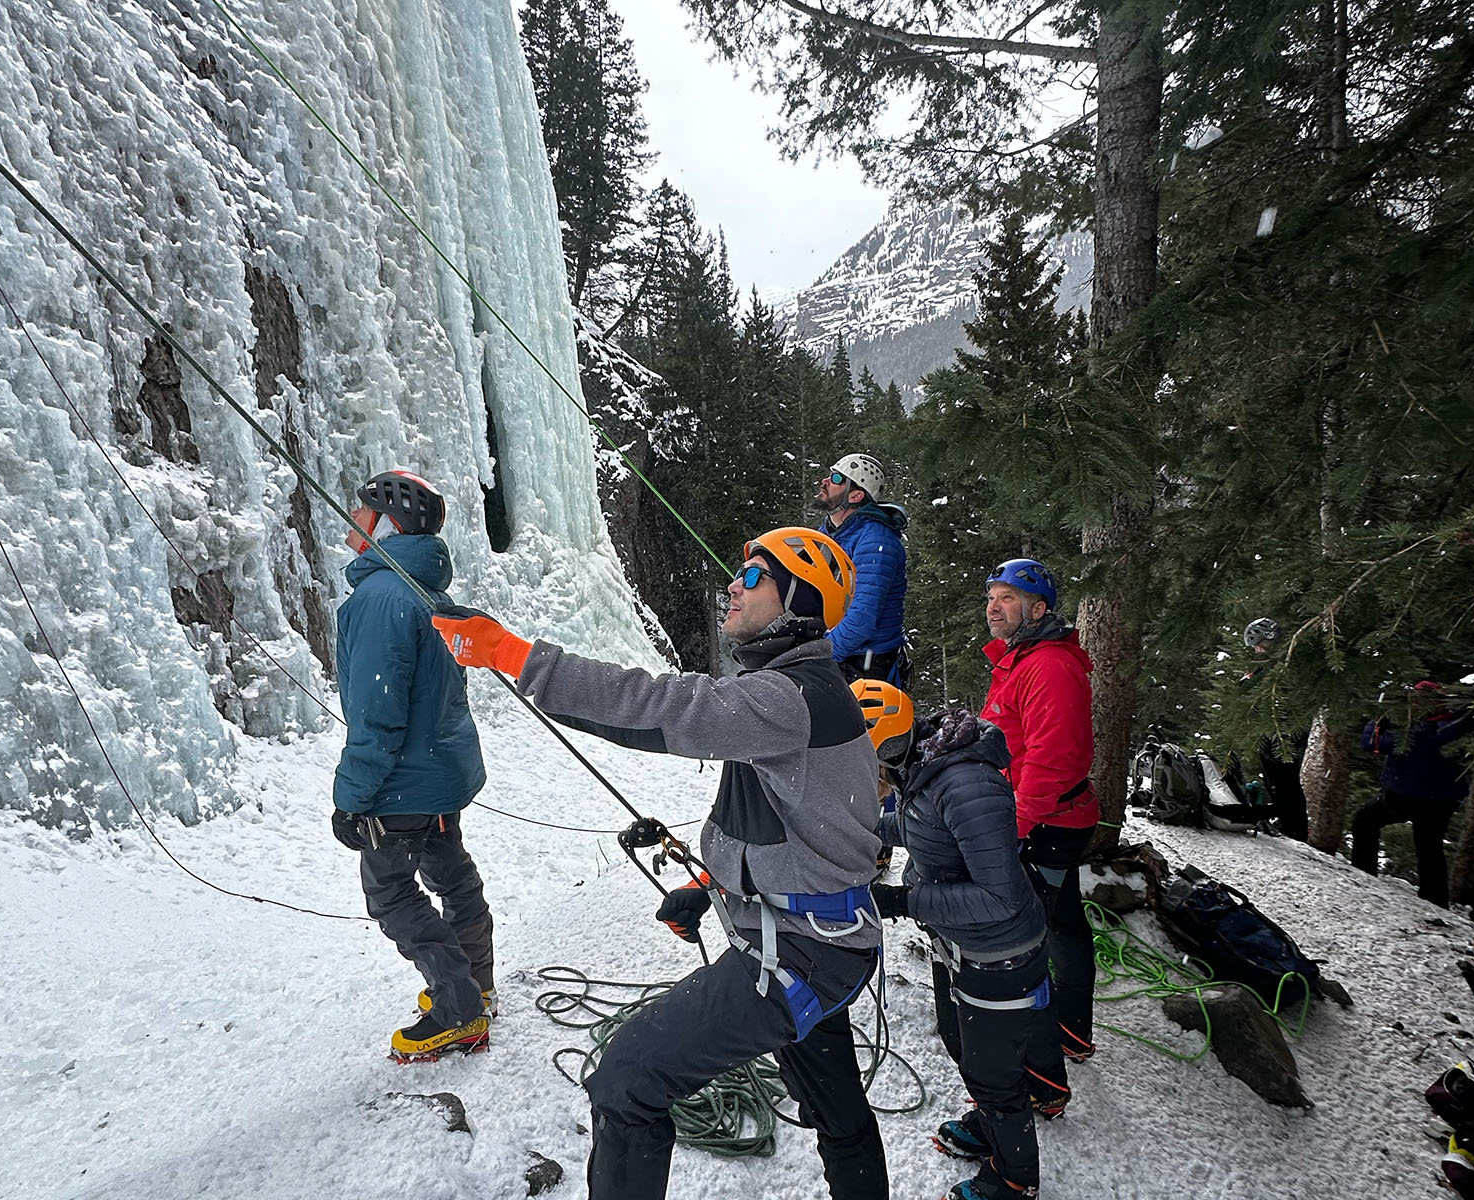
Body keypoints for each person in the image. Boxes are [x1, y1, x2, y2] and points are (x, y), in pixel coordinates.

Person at [432, 527, 887, 1200]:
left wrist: (515, 655)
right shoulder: (804, 690)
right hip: (823, 940)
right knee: (838, 1113)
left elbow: (658, 706)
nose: (734, 585)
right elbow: (790, 831)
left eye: (755, 576)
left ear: (798, 600)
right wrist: (707, 887)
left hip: (798, 953)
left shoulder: (787, 697)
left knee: (627, 1080)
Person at [859, 685, 1058, 1200]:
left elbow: (1000, 897)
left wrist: (902, 902)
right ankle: (1000, 1116)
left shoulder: (966, 784)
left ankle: (1014, 1180)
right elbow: (922, 827)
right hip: (962, 946)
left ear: (882, 747)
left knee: (992, 1072)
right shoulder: (918, 767)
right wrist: (862, 831)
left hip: (999, 954)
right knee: (957, 1038)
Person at [330, 470, 494, 1063]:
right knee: (450, 873)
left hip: (402, 786)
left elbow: (377, 715)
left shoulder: (379, 600)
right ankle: (477, 985)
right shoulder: (429, 594)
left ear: (386, 521)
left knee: (392, 894)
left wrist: (351, 799)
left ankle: (459, 1010)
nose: (354, 519)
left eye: (363, 510)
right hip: (443, 777)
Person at [980, 558, 1098, 1066]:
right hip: (1049, 817)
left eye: (1007, 598)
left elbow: (1054, 758)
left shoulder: (1048, 666)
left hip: (1048, 821)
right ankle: (1072, 1030)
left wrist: (1014, 828)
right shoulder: (1021, 659)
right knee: (1064, 924)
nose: (994, 607)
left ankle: (1039, 1072)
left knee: (1020, 945)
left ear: (1038, 608)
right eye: (991, 598)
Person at [1353, 683, 1474, 908]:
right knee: (1430, 846)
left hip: (1405, 796)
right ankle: (1436, 900)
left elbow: (1371, 743)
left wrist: (1377, 721)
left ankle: (1364, 875)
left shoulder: (1415, 732)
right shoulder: (1456, 724)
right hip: (1444, 800)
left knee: (1365, 821)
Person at [812, 452, 910, 687]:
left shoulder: (877, 540)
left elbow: (861, 619)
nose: (825, 480)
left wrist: (818, 656)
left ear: (855, 495)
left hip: (868, 665)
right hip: (841, 654)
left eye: (836, 478)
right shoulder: (828, 534)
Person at [1242, 617, 1309, 841]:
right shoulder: (1266, 665)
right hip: (1271, 728)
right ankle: (1287, 823)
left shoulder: (1288, 663)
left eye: (1260, 644)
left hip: (1287, 730)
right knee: (1277, 781)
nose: (1258, 650)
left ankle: (1295, 830)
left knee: (1286, 782)